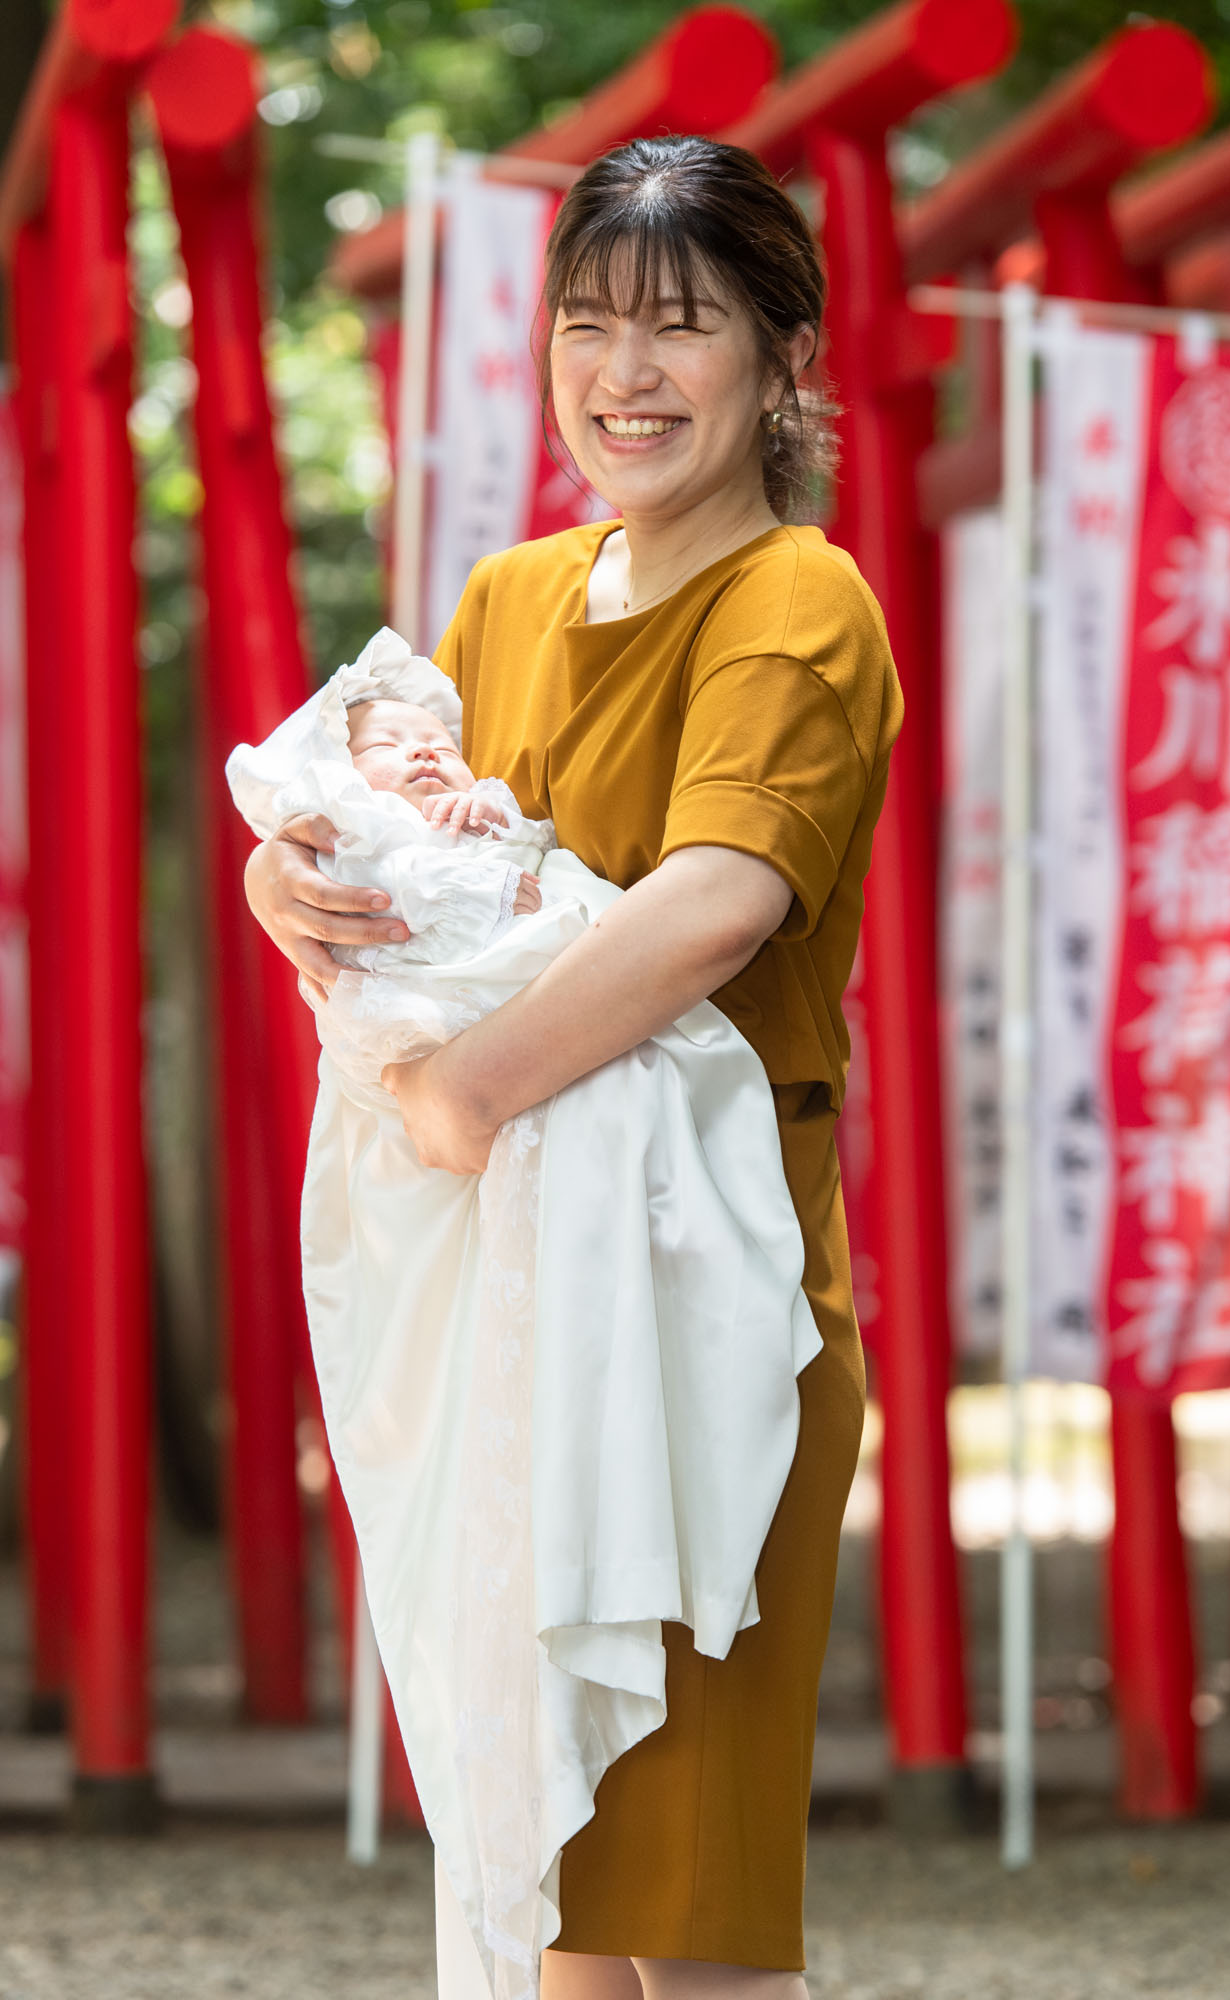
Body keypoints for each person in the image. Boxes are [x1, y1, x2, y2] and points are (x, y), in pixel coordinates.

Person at [245, 133, 903, 2000]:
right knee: (555, 1904)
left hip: (709, 1300)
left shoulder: (799, 600)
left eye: (679, 325)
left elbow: (714, 900)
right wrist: (288, 882)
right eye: (588, 322)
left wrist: (458, 1093)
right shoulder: (508, 601)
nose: (623, 372)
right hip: (517, 1289)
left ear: (781, 359)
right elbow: (398, 844)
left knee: (683, 1918)